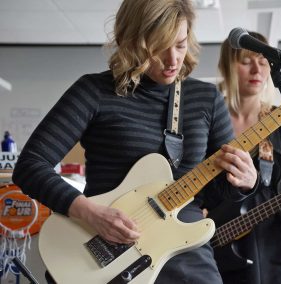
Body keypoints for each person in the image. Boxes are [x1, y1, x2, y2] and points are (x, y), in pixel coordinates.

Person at [12, 1, 258, 283]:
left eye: (180, 45)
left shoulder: (206, 100)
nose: (173, 60)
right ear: (131, 41)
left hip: (186, 255)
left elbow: (215, 195)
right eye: (158, 47)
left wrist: (243, 182)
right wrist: (90, 214)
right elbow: (30, 165)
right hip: (107, 248)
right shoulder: (94, 91)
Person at [203, 31, 281, 283]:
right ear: (227, 65)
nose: (257, 70)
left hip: (277, 258)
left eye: (263, 62)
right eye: (246, 61)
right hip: (216, 253)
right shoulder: (206, 121)